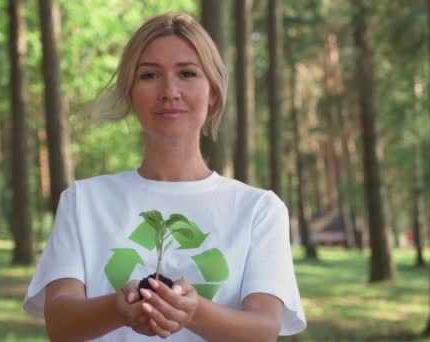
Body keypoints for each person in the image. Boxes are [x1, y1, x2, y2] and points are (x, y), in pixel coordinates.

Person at [23, 12, 306, 341]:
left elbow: (263, 331)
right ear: (130, 92)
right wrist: (117, 309)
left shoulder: (260, 210)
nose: (170, 91)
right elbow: (59, 322)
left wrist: (194, 311)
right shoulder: (83, 202)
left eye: (187, 73)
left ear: (213, 92)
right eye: (149, 75)